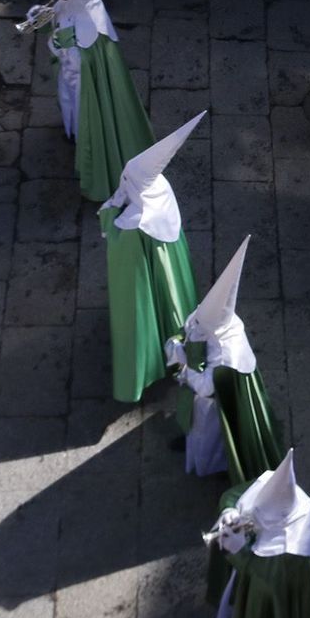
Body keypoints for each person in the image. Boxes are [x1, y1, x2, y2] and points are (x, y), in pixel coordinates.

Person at [35, 0, 155, 200]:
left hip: (86, 87)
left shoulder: (91, 20)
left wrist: (57, 43)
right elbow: (52, 16)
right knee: (67, 106)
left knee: (81, 116)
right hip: (70, 81)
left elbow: (79, 59)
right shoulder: (68, 5)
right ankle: (71, 132)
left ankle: (84, 144)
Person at [98, 111, 204, 404]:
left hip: (141, 278)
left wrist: (110, 215)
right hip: (166, 262)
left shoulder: (133, 226)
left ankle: (143, 367)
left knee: (141, 316)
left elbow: (117, 243)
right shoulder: (160, 191)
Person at [165, 236, 288, 484]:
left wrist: (182, 365)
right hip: (212, 385)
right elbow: (194, 323)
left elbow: (206, 386)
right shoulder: (215, 316)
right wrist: (180, 338)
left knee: (209, 435)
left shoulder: (225, 351)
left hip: (218, 401)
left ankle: (214, 466)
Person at [204, 450, 310, 618]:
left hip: (271, 595)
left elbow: (263, 577)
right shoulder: (271, 486)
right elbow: (236, 494)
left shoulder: (293, 544)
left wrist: (236, 549)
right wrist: (229, 510)